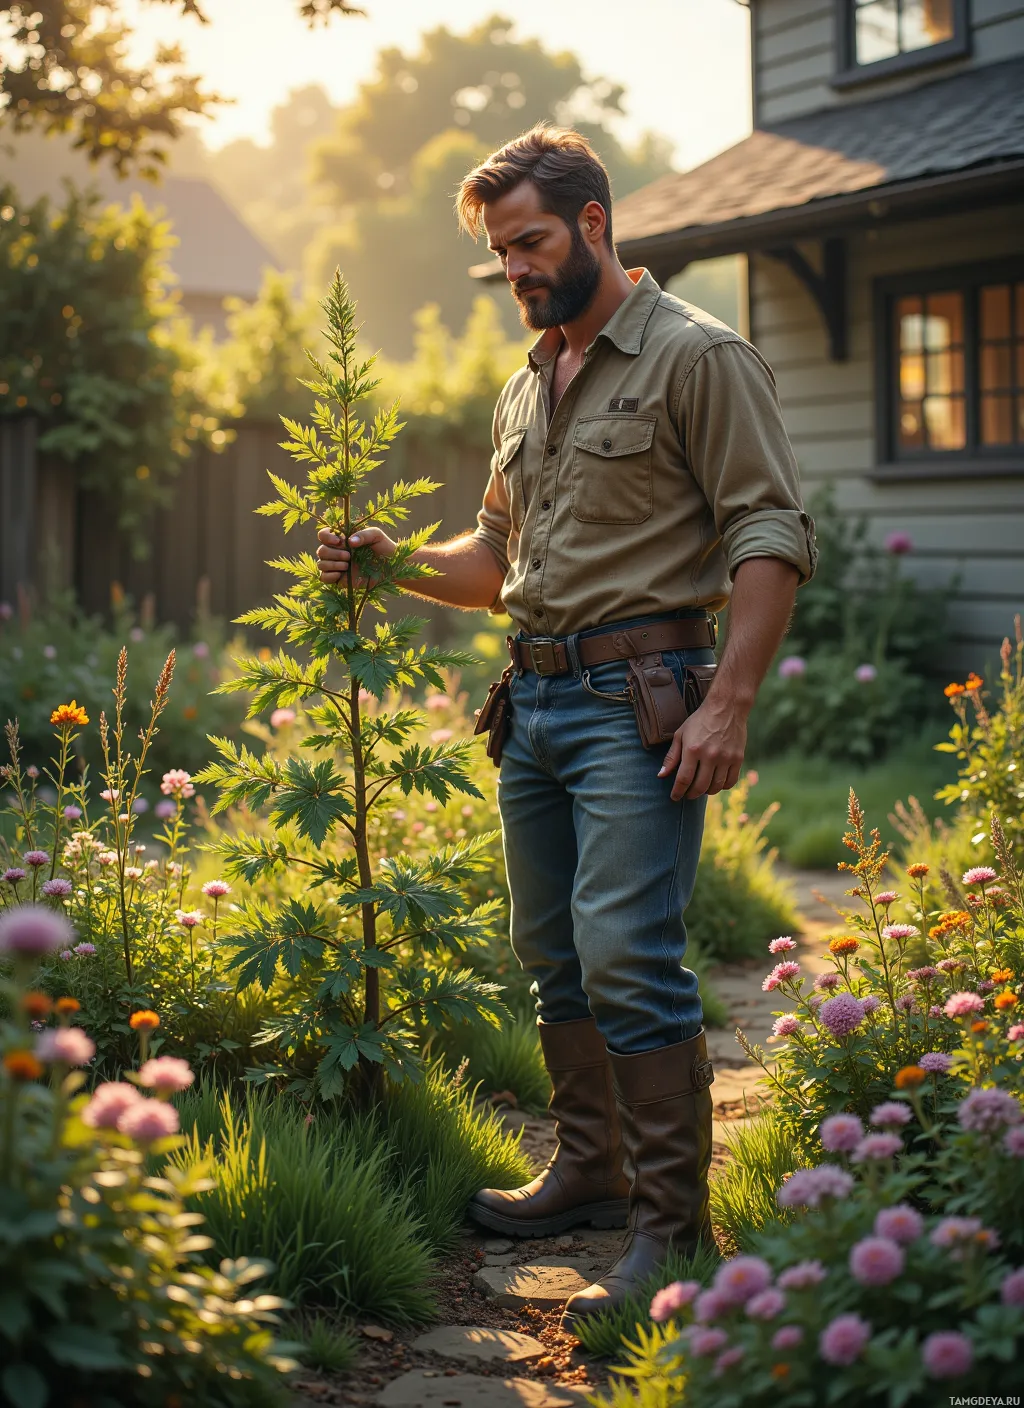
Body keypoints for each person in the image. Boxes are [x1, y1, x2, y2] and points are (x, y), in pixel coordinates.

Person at [316, 125, 816, 1331]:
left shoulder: (699, 358)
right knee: (554, 954)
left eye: (531, 242)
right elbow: (495, 557)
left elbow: (771, 533)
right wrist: (393, 564)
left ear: (595, 223)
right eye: (501, 253)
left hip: (637, 707)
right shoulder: (527, 378)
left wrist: (728, 701)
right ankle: (589, 1169)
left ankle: (669, 1227)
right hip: (529, 704)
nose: (518, 269)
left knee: (627, 954)